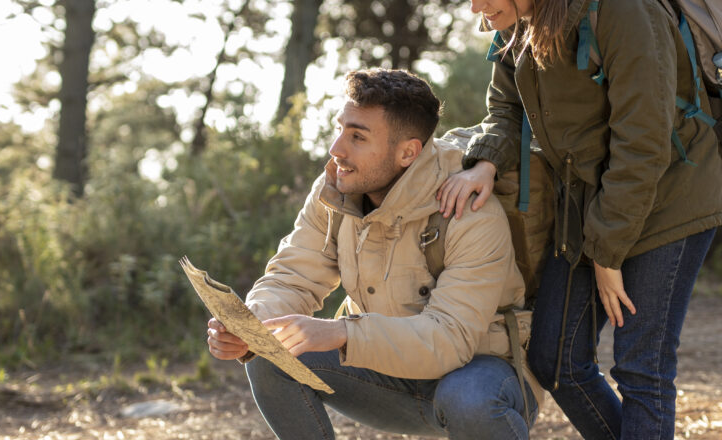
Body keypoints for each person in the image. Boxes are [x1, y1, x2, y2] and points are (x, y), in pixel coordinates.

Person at [437, 1, 722, 438]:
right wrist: (486, 162)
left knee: (640, 367)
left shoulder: (625, 10)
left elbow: (643, 143)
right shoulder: (515, 22)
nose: (477, 7)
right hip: (585, 206)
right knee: (556, 360)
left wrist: (606, 255)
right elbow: (505, 108)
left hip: (670, 196)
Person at [206, 68, 542, 440]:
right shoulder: (334, 188)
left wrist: (341, 333)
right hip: (386, 375)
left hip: (481, 376)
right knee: (270, 354)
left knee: (468, 398)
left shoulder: (471, 209)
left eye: (357, 137)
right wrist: (251, 325)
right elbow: (292, 275)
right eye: (340, 128)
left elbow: (450, 340)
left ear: (407, 152)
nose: (337, 149)